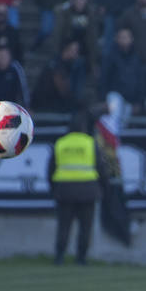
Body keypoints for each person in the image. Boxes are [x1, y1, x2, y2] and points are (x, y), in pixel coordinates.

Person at [47, 112, 108, 266]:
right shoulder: (90, 143)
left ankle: (59, 257)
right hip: (88, 190)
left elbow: (51, 169)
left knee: (64, 226)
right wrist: (103, 187)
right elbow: (101, 168)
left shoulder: (61, 143)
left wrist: (54, 189)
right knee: (85, 227)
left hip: (65, 190)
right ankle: (81, 258)